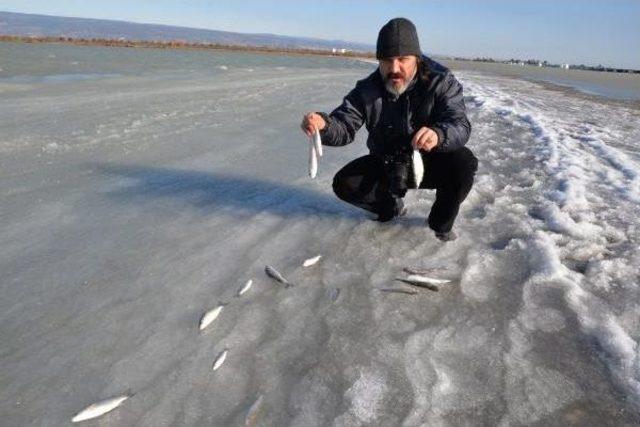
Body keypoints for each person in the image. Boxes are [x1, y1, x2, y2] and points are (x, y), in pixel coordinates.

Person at [300, 17, 478, 242]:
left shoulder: (441, 82)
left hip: (430, 160)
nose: (394, 68)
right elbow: (343, 126)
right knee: (344, 183)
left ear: (417, 58)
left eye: (402, 59)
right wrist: (324, 125)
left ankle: (439, 225)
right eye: (386, 60)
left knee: (464, 163)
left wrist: (439, 134)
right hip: (387, 162)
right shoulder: (366, 90)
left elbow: (459, 124)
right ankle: (390, 207)